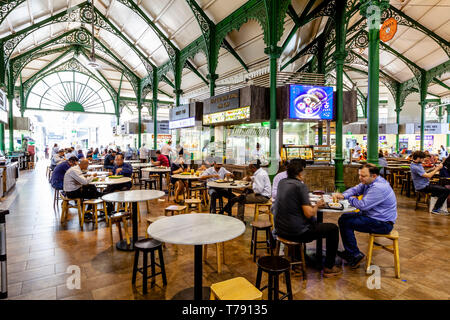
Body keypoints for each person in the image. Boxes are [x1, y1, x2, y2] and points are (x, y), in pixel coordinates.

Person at [274, 159, 342, 277]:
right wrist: (317, 206)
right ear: (300, 173)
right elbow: (309, 214)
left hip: (279, 230)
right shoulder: (300, 186)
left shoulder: (282, 183)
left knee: (304, 222)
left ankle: (298, 260)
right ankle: (329, 267)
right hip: (296, 233)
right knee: (333, 229)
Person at [334, 163, 397, 268]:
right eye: (359, 175)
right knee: (344, 218)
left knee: (346, 222)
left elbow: (363, 205)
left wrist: (348, 198)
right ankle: (350, 252)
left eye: (363, 176)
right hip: (372, 216)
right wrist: (343, 195)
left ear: (374, 176)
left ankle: (355, 254)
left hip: (383, 223)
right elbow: (355, 189)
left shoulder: (379, 187)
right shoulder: (369, 182)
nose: (360, 178)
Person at [410, 151, 449, 215]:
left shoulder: (416, 164)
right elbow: (428, 176)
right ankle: (436, 209)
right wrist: (437, 169)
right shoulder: (415, 166)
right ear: (419, 158)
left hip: (425, 184)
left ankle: (436, 204)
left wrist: (432, 169)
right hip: (422, 186)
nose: (423, 160)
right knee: (446, 191)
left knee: (441, 190)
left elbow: (423, 173)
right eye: (422, 158)